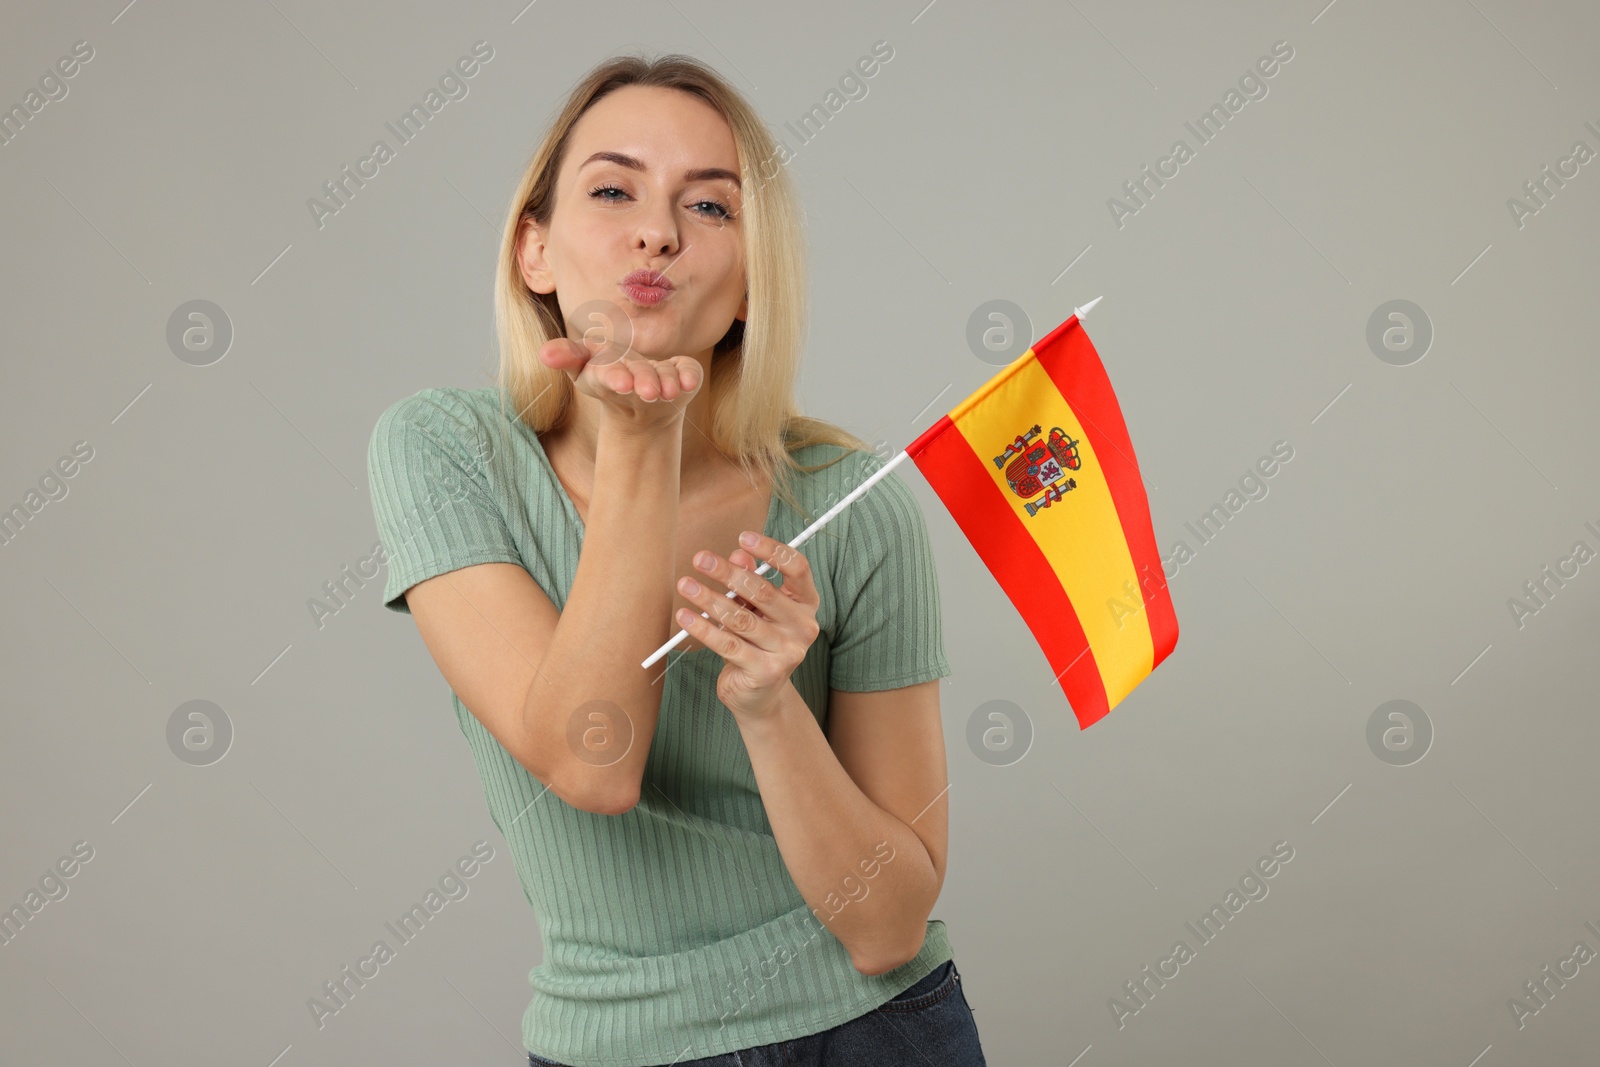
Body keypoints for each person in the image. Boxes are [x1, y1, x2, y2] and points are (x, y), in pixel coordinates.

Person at [366, 51, 986, 1067]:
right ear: (535, 251)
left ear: (749, 282)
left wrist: (768, 703)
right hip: (614, 1045)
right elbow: (589, 761)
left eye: (710, 208)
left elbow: (883, 928)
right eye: (613, 190)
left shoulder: (851, 503)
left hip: (877, 1034)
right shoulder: (445, 450)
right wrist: (641, 444)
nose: (657, 230)